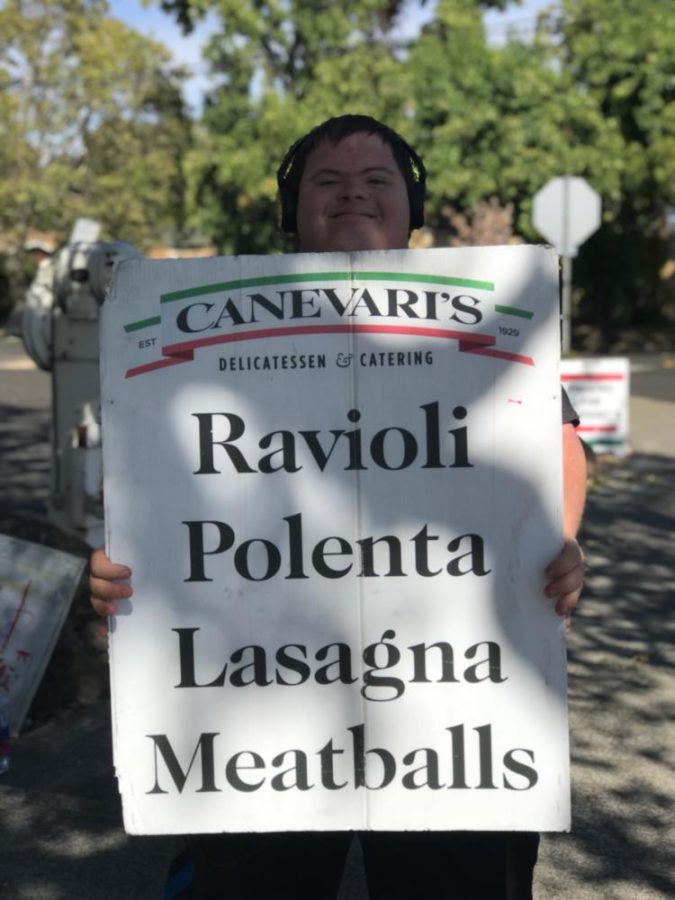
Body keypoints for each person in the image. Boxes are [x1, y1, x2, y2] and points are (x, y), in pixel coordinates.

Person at [91, 115, 586, 899]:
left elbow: (556, 442)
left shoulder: (488, 316)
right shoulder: (205, 316)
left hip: (448, 695)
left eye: (375, 179)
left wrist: (556, 544)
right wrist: (119, 568)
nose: (351, 190)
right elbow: (157, 478)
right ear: (293, 210)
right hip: (264, 698)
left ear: (410, 206)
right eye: (327, 180)